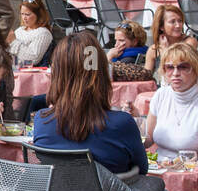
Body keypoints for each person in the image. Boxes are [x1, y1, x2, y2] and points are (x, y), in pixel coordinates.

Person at [33, 32, 147, 176]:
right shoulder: (122, 124)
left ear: (57, 74)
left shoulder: (42, 120)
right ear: (102, 74)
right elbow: (142, 170)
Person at [144, 42, 198, 171]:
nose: (175, 73)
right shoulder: (161, 95)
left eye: (183, 67)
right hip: (157, 169)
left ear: (196, 69)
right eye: (169, 67)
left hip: (191, 174)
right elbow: (147, 140)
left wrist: (180, 168)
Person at [144, 2, 198, 75]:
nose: (178, 25)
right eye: (172, 22)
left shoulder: (189, 42)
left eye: (180, 21)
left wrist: (165, 51)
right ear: (161, 26)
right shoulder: (154, 50)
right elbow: (146, 76)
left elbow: (179, 69)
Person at [9, 0, 53, 66]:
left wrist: (13, 41)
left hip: (31, 73)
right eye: (22, 14)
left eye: (27, 14)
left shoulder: (43, 33)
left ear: (38, 15)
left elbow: (33, 59)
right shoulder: (20, 30)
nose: (24, 18)